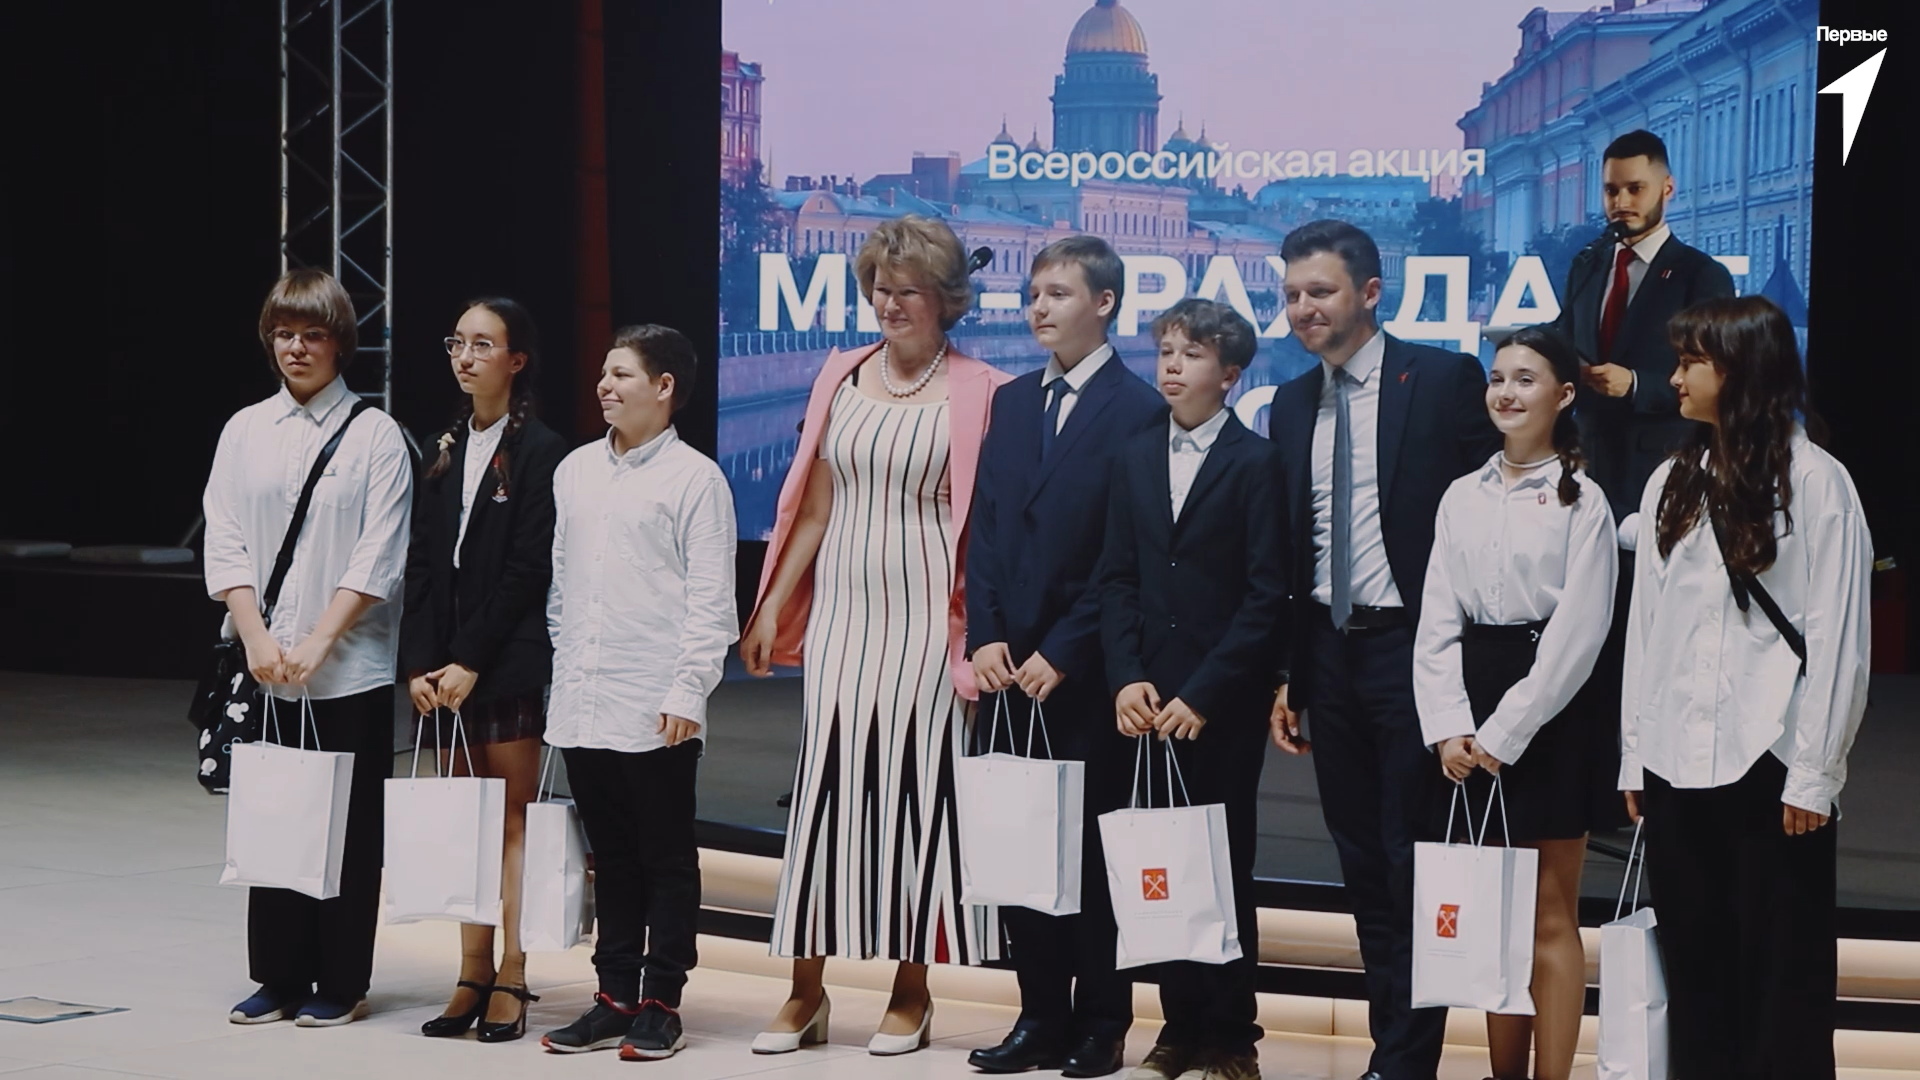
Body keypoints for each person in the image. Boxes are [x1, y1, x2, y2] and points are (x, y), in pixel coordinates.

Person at [741, 214, 1012, 1057]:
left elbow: (992, 527)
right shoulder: (841, 371)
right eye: (880, 289)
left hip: (931, 619)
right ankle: (804, 992)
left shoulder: (985, 389)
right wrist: (768, 610)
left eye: (908, 291)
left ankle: (911, 993)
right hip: (843, 617)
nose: (890, 304)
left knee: (920, 799)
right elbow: (815, 506)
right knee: (825, 791)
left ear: (946, 299)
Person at [1264, 220, 1500, 1080]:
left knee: (1411, 859)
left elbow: (1488, 517)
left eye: (1320, 291)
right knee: (1361, 861)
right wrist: (1288, 674)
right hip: (1327, 656)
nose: (1303, 309)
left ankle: (1407, 1058)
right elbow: (1293, 548)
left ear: (1369, 292)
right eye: (1292, 294)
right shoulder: (1292, 402)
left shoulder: (1439, 379)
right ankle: (1388, 1046)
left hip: (1414, 651)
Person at [1621, 296, 1870, 1079]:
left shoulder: (1818, 481)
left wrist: (1815, 772)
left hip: (1773, 759)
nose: (1675, 378)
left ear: (1741, 368)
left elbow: (1839, 640)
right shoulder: (1673, 479)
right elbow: (1647, 631)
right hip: (1675, 760)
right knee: (1695, 978)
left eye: (1691, 361)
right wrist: (1635, 754)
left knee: (1783, 985)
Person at [965, 235, 1165, 1078]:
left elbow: (1130, 554)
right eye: (1033, 294)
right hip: (1007, 669)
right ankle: (1038, 1016)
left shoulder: (1140, 408)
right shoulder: (1013, 401)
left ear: (1105, 303)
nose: (1038, 308)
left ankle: (1102, 1023)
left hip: (1085, 674)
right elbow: (986, 528)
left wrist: (1066, 650)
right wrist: (985, 633)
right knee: (1019, 850)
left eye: (1058, 294)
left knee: (1090, 856)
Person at [204, 269, 413, 1027]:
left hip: (349, 667)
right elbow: (224, 537)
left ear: (340, 343)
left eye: (312, 334)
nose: (296, 348)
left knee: (348, 830)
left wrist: (322, 640)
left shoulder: (375, 434)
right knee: (273, 815)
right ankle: (278, 975)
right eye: (283, 334)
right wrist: (257, 637)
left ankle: (341, 980)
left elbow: (380, 553)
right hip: (266, 664)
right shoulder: (244, 429)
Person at [1413, 326, 1618, 1080]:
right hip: (1471, 708)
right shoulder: (1460, 494)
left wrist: (1506, 732)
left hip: (1551, 712)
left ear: (1563, 396)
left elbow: (1579, 635)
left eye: (1525, 379)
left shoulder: (1584, 499)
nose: (1505, 391)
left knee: (1548, 914)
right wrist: (1448, 727)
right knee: (1494, 915)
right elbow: (1437, 623)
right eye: (1497, 377)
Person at [536, 325, 737, 1060]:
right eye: (603, 372)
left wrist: (688, 689)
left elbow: (712, 601)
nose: (605, 385)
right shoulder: (575, 471)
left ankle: (662, 1001)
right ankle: (613, 994)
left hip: (656, 700)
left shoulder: (696, 480)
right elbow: (563, 585)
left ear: (664, 387)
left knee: (666, 858)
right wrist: (567, 666)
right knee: (611, 857)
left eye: (621, 374)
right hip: (583, 695)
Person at [1099, 299, 1287, 1080]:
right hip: (1148, 698)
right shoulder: (1135, 454)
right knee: (1163, 866)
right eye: (1167, 352)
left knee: (1222, 865)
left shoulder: (1257, 462)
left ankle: (1233, 1036)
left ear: (1231, 374)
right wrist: (1125, 676)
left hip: (1220, 703)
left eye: (1193, 354)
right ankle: (1178, 1027)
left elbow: (1265, 595)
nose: (1173, 366)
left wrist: (1205, 693)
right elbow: (1115, 578)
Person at [1551, 129, 1736, 836]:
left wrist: (1639, 384)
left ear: (1667, 188)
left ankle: (1644, 788)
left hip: (1663, 471)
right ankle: (1591, 790)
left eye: (1634, 188)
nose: (1621, 201)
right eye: (1611, 189)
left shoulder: (1699, 274)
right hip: (1586, 470)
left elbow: (1717, 372)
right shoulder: (1588, 263)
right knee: (1585, 632)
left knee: (1646, 634)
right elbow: (1567, 337)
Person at [401, 297, 568, 1042]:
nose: (465, 358)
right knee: (462, 820)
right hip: (444, 666)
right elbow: (421, 562)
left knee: (509, 819)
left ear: (516, 360)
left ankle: (514, 972)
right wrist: (421, 663)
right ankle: (470, 970)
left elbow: (529, 570)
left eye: (482, 345)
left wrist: (470, 659)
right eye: (457, 344)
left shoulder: (542, 451)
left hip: (505, 661)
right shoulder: (441, 445)